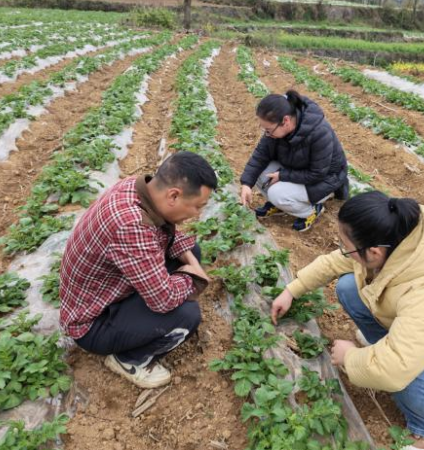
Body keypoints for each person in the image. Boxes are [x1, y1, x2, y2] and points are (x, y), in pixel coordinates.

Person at [269, 191, 424, 450]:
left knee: (415, 372)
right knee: (348, 287)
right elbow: (338, 261)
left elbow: (396, 369)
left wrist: (350, 358)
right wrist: (292, 290)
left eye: (347, 245)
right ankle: (383, 346)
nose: (343, 251)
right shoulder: (397, 239)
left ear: (374, 252)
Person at [59, 152, 216, 389]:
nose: (197, 214)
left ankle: (139, 316)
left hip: (107, 290)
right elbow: (164, 300)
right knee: (186, 315)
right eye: (197, 206)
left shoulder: (138, 187)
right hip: (92, 323)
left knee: (191, 251)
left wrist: (191, 265)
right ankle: (129, 360)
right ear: (173, 195)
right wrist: (194, 277)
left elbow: (170, 237)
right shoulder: (131, 225)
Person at [239, 89, 349, 232]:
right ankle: (278, 204)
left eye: (269, 129)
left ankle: (310, 210)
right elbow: (260, 155)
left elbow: (317, 174)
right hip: (297, 170)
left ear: (285, 121)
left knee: (276, 193)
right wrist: (247, 184)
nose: (267, 133)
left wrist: (283, 175)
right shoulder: (275, 131)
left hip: (325, 180)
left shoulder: (319, 133)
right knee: (261, 175)